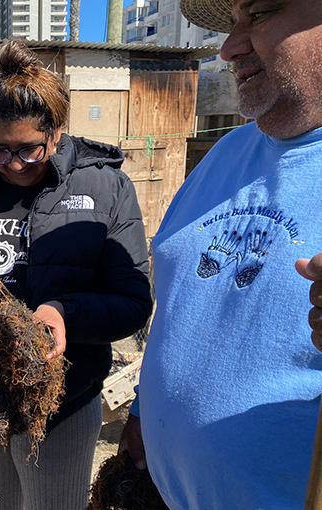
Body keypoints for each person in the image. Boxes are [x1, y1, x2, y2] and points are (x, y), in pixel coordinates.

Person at [0, 39, 153, 510]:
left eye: (28, 150)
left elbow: (132, 299)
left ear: (57, 133)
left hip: (61, 388)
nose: (14, 164)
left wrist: (64, 312)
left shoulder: (106, 187)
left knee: (54, 503)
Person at [118, 0, 322, 507]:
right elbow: (180, 309)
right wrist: (145, 414)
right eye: (231, 21)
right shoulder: (226, 153)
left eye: (262, 11)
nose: (230, 47)